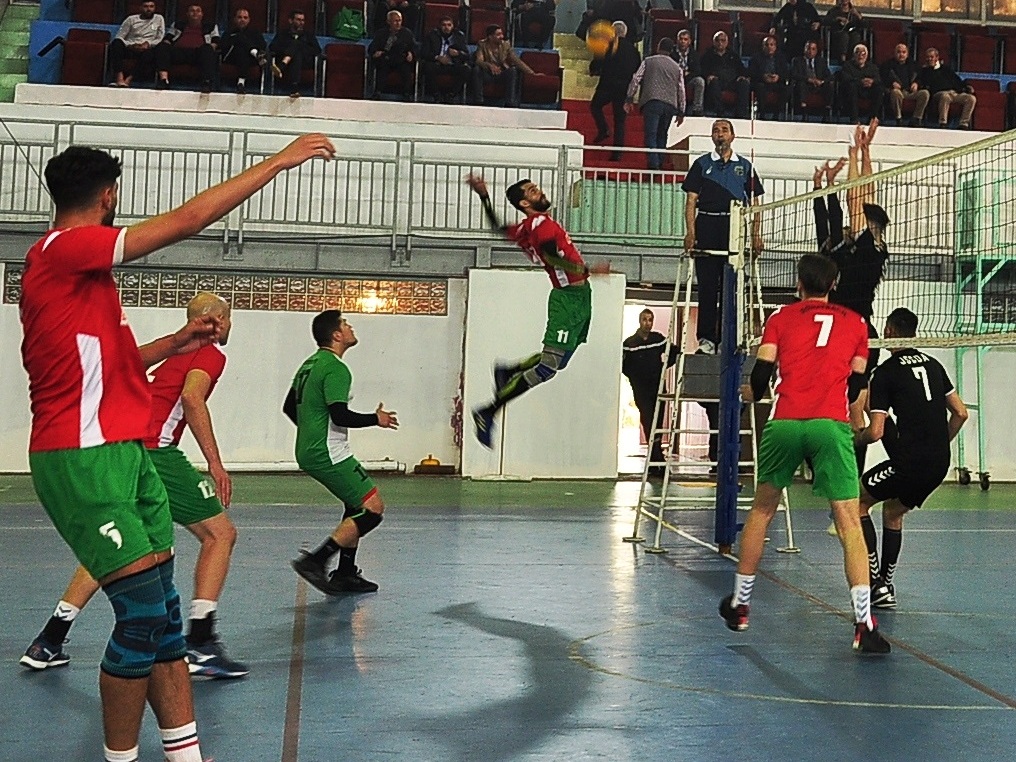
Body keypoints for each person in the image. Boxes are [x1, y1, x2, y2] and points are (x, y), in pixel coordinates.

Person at [18, 133, 335, 762]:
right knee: (140, 620)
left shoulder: (86, 283)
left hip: (127, 453)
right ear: (108, 197)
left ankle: (185, 755)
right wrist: (278, 162)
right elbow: (189, 219)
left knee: (163, 621)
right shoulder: (62, 249)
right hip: (80, 457)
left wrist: (178, 340)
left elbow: (118, 365)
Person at [21, 292, 248, 680]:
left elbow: (122, 371)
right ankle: (201, 642)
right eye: (226, 318)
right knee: (220, 534)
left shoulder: (172, 350)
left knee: (121, 548)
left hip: (123, 450)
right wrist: (215, 462)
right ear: (215, 320)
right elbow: (192, 398)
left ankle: (50, 638)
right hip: (155, 453)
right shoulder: (209, 353)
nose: (228, 325)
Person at [720, 253, 891, 655]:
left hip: (786, 421)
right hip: (829, 424)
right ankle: (864, 625)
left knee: (762, 511)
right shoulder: (856, 324)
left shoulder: (780, 319)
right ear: (833, 284)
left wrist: (754, 394)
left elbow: (761, 375)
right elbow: (857, 382)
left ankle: (740, 606)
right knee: (849, 521)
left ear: (799, 283)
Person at [464, 174, 610, 448]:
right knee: (547, 368)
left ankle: (509, 370)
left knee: (560, 361)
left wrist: (484, 196)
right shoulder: (540, 224)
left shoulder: (525, 227)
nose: (539, 192)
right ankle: (488, 411)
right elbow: (550, 256)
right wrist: (587, 269)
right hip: (567, 298)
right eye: (532, 191)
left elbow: (497, 226)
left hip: (579, 297)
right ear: (524, 203)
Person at [855, 308, 968, 609]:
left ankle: (875, 581)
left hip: (910, 463)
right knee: (893, 511)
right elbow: (961, 413)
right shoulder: (935, 365)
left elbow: (876, 431)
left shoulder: (886, 373)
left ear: (889, 332)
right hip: (939, 463)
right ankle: (887, 586)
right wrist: (938, 444)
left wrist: (855, 439)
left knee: (858, 502)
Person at [285, 311, 399, 595]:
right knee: (373, 509)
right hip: (328, 452)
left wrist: (311, 429)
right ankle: (317, 560)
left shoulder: (309, 365)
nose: (350, 327)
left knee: (354, 504)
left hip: (312, 449)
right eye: (346, 324)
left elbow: (290, 407)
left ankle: (346, 573)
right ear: (336, 334)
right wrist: (377, 419)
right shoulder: (336, 368)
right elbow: (340, 414)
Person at [682, 119, 764, 355]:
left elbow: (756, 203)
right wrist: (690, 232)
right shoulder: (701, 164)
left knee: (733, 287)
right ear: (712, 137)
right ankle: (707, 340)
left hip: (734, 227)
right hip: (706, 224)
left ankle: (731, 339)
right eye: (716, 131)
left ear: (733, 136)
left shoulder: (745, 166)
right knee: (707, 286)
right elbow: (690, 201)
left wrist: (756, 235)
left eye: (724, 130)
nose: (720, 134)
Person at [622, 309, 678, 478]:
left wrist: (662, 367)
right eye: (645, 319)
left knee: (659, 421)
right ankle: (656, 459)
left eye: (650, 320)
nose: (648, 323)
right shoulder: (630, 343)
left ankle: (657, 460)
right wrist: (636, 376)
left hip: (658, 387)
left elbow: (674, 352)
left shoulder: (658, 339)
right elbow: (624, 365)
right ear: (640, 321)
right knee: (648, 421)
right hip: (641, 389)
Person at [625, 37, 685, 172]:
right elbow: (681, 89)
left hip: (652, 101)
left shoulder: (648, 61)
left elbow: (636, 79)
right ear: (671, 50)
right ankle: (660, 161)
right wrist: (682, 110)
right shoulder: (677, 68)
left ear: (658, 47)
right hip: (670, 105)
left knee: (651, 134)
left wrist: (629, 97)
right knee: (662, 134)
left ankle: (654, 162)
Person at [589, 20, 641, 162]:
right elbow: (637, 69)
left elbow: (598, 61)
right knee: (620, 120)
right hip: (624, 88)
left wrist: (593, 69)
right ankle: (617, 153)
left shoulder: (609, 45)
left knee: (595, 106)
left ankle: (604, 129)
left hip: (607, 85)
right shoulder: (634, 50)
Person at [155, 3, 220, 93]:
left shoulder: (210, 26)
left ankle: (206, 83)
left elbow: (216, 41)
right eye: (192, 11)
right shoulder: (178, 25)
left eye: (198, 11)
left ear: (202, 14)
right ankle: (163, 80)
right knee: (162, 46)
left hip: (197, 54)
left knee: (207, 49)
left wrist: (211, 47)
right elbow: (168, 38)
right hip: (179, 52)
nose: (195, 13)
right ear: (187, 14)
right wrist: (167, 43)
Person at [472, 24, 537, 108]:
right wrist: (489, 65)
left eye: (501, 34)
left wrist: (532, 73)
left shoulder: (505, 45)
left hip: (501, 73)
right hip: (487, 74)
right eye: (498, 35)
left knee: (512, 70)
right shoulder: (482, 44)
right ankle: (478, 101)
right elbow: (479, 60)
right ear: (490, 37)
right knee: (476, 69)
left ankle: (510, 102)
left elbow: (516, 60)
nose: (501, 36)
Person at [107, 0, 165, 87]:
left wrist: (148, 44)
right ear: (140, 8)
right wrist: (130, 45)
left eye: (151, 6)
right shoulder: (131, 19)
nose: (149, 9)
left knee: (151, 54)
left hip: (147, 48)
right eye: (146, 6)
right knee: (116, 44)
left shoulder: (159, 18)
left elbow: (160, 37)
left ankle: (129, 79)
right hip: (130, 46)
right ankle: (119, 78)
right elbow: (120, 36)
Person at [916, 47, 976, 129]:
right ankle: (943, 123)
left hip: (953, 93)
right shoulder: (924, 71)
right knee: (945, 96)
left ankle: (963, 124)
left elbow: (957, 80)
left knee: (971, 98)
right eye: (928, 57)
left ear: (937, 57)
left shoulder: (946, 69)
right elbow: (924, 84)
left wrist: (966, 87)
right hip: (938, 94)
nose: (929, 59)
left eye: (932, 57)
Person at [269, 9, 321, 98]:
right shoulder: (283, 34)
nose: (301, 22)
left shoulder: (308, 35)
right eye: (298, 20)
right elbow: (272, 47)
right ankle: (294, 87)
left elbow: (317, 50)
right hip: (290, 61)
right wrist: (287, 50)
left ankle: (281, 66)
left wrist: (302, 46)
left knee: (297, 44)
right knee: (296, 54)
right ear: (290, 20)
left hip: (305, 62)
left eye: (303, 20)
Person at [700, 30, 750, 119]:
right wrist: (708, 76)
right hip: (717, 82)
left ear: (727, 42)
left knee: (744, 83)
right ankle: (720, 112)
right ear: (714, 42)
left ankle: (741, 114)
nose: (720, 43)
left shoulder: (733, 55)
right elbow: (702, 70)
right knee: (713, 82)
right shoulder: (708, 55)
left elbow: (741, 69)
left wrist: (742, 76)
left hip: (732, 81)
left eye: (723, 40)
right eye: (718, 40)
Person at [369, 9, 418, 101]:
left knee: (406, 70)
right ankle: (378, 92)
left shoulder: (407, 33)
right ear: (388, 22)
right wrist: (375, 52)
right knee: (381, 68)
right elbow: (372, 48)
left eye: (399, 21)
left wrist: (411, 53)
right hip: (386, 58)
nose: (398, 23)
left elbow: (415, 47)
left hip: (401, 59)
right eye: (395, 21)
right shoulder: (381, 33)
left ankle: (406, 94)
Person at [421, 15, 470, 103]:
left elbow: (467, 55)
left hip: (453, 64)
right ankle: (436, 94)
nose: (446, 27)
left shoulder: (459, 36)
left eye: (449, 25)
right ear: (440, 26)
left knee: (466, 69)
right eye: (444, 25)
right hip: (437, 64)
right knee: (427, 67)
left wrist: (458, 53)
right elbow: (424, 53)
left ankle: (451, 95)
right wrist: (437, 57)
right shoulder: (432, 35)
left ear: (453, 26)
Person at [219, 6, 268, 94]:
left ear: (249, 20)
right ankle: (254, 53)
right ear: (235, 19)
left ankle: (241, 83)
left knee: (242, 51)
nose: (242, 20)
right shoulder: (229, 32)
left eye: (245, 18)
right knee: (239, 37)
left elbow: (262, 46)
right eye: (239, 17)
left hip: (249, 60)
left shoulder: (255, 32)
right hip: (231, 57)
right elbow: (223, 47)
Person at [881, 42, 929, 127]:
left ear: (907, 54)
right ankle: (899, 119)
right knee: (895, 92)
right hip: (897, 92)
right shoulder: (887, 65)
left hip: (910, 91)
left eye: (904, 52)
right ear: (894, 53)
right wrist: (891, 83)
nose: (901, 55)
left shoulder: (914, 65)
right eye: (899, 52)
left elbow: (922, 78)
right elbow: (882, 79)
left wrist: (917, 83)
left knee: (925, 93)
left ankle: (916, 118)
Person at [748, 35, 790, 120]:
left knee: (786, 89)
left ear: (775, 46)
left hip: (777, 83)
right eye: (766, 45)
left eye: (772, 45)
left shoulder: (781, 58)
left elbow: (787, 73)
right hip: (762, 82)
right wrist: (763, 76)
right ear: (762, 46)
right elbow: (751, 73)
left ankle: (777, 115)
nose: (769, 47)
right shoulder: (756, 58)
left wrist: (778, 77)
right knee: (760, 87)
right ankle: (762, 114)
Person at [839, 43, 883, 124]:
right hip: (853, 90)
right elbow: (846, 79)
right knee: (852, 87)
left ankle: (872, 118)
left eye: (863, 54)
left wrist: (872, 81)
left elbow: (878, 79)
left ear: (867, 56)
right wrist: (860, 82)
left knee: (879, 89)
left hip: (868, 91)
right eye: (858, 53)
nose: (861, 56)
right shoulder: (847, 65)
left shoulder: (872, 67)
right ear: (854, 55)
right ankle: (854, 118)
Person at [790, 39, 834, 115]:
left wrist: (821, 81)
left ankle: (827, 111)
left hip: (819, 86)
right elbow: (794, 74)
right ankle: (803, 110)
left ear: (816, 51)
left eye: (813, 49)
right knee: (800, 84)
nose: (810, 51)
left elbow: (829, 76)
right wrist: (809, 80)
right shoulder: (797, 60)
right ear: (804, 49)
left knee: (829, 86)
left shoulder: (821, 61)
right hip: (805, 85)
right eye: (808, 48)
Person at [770, 0, 820, 65]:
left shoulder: (808, 6)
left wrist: (817, 24)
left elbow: (817, 19)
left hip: (805, 34)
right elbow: (777, 18)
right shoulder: (787, 7)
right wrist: (773, 27)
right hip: (791, 34)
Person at [671, 29, 704, 118]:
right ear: (677, 40)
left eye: (685, 39)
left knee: (700, 81)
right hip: (674, 78)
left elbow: (697, 71)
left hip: (688, 78)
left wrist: (687, 74)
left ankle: (697, 109)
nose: (682, 42)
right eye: (681, 39)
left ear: (689, 41)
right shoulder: (671, 52)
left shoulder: (694, 54)